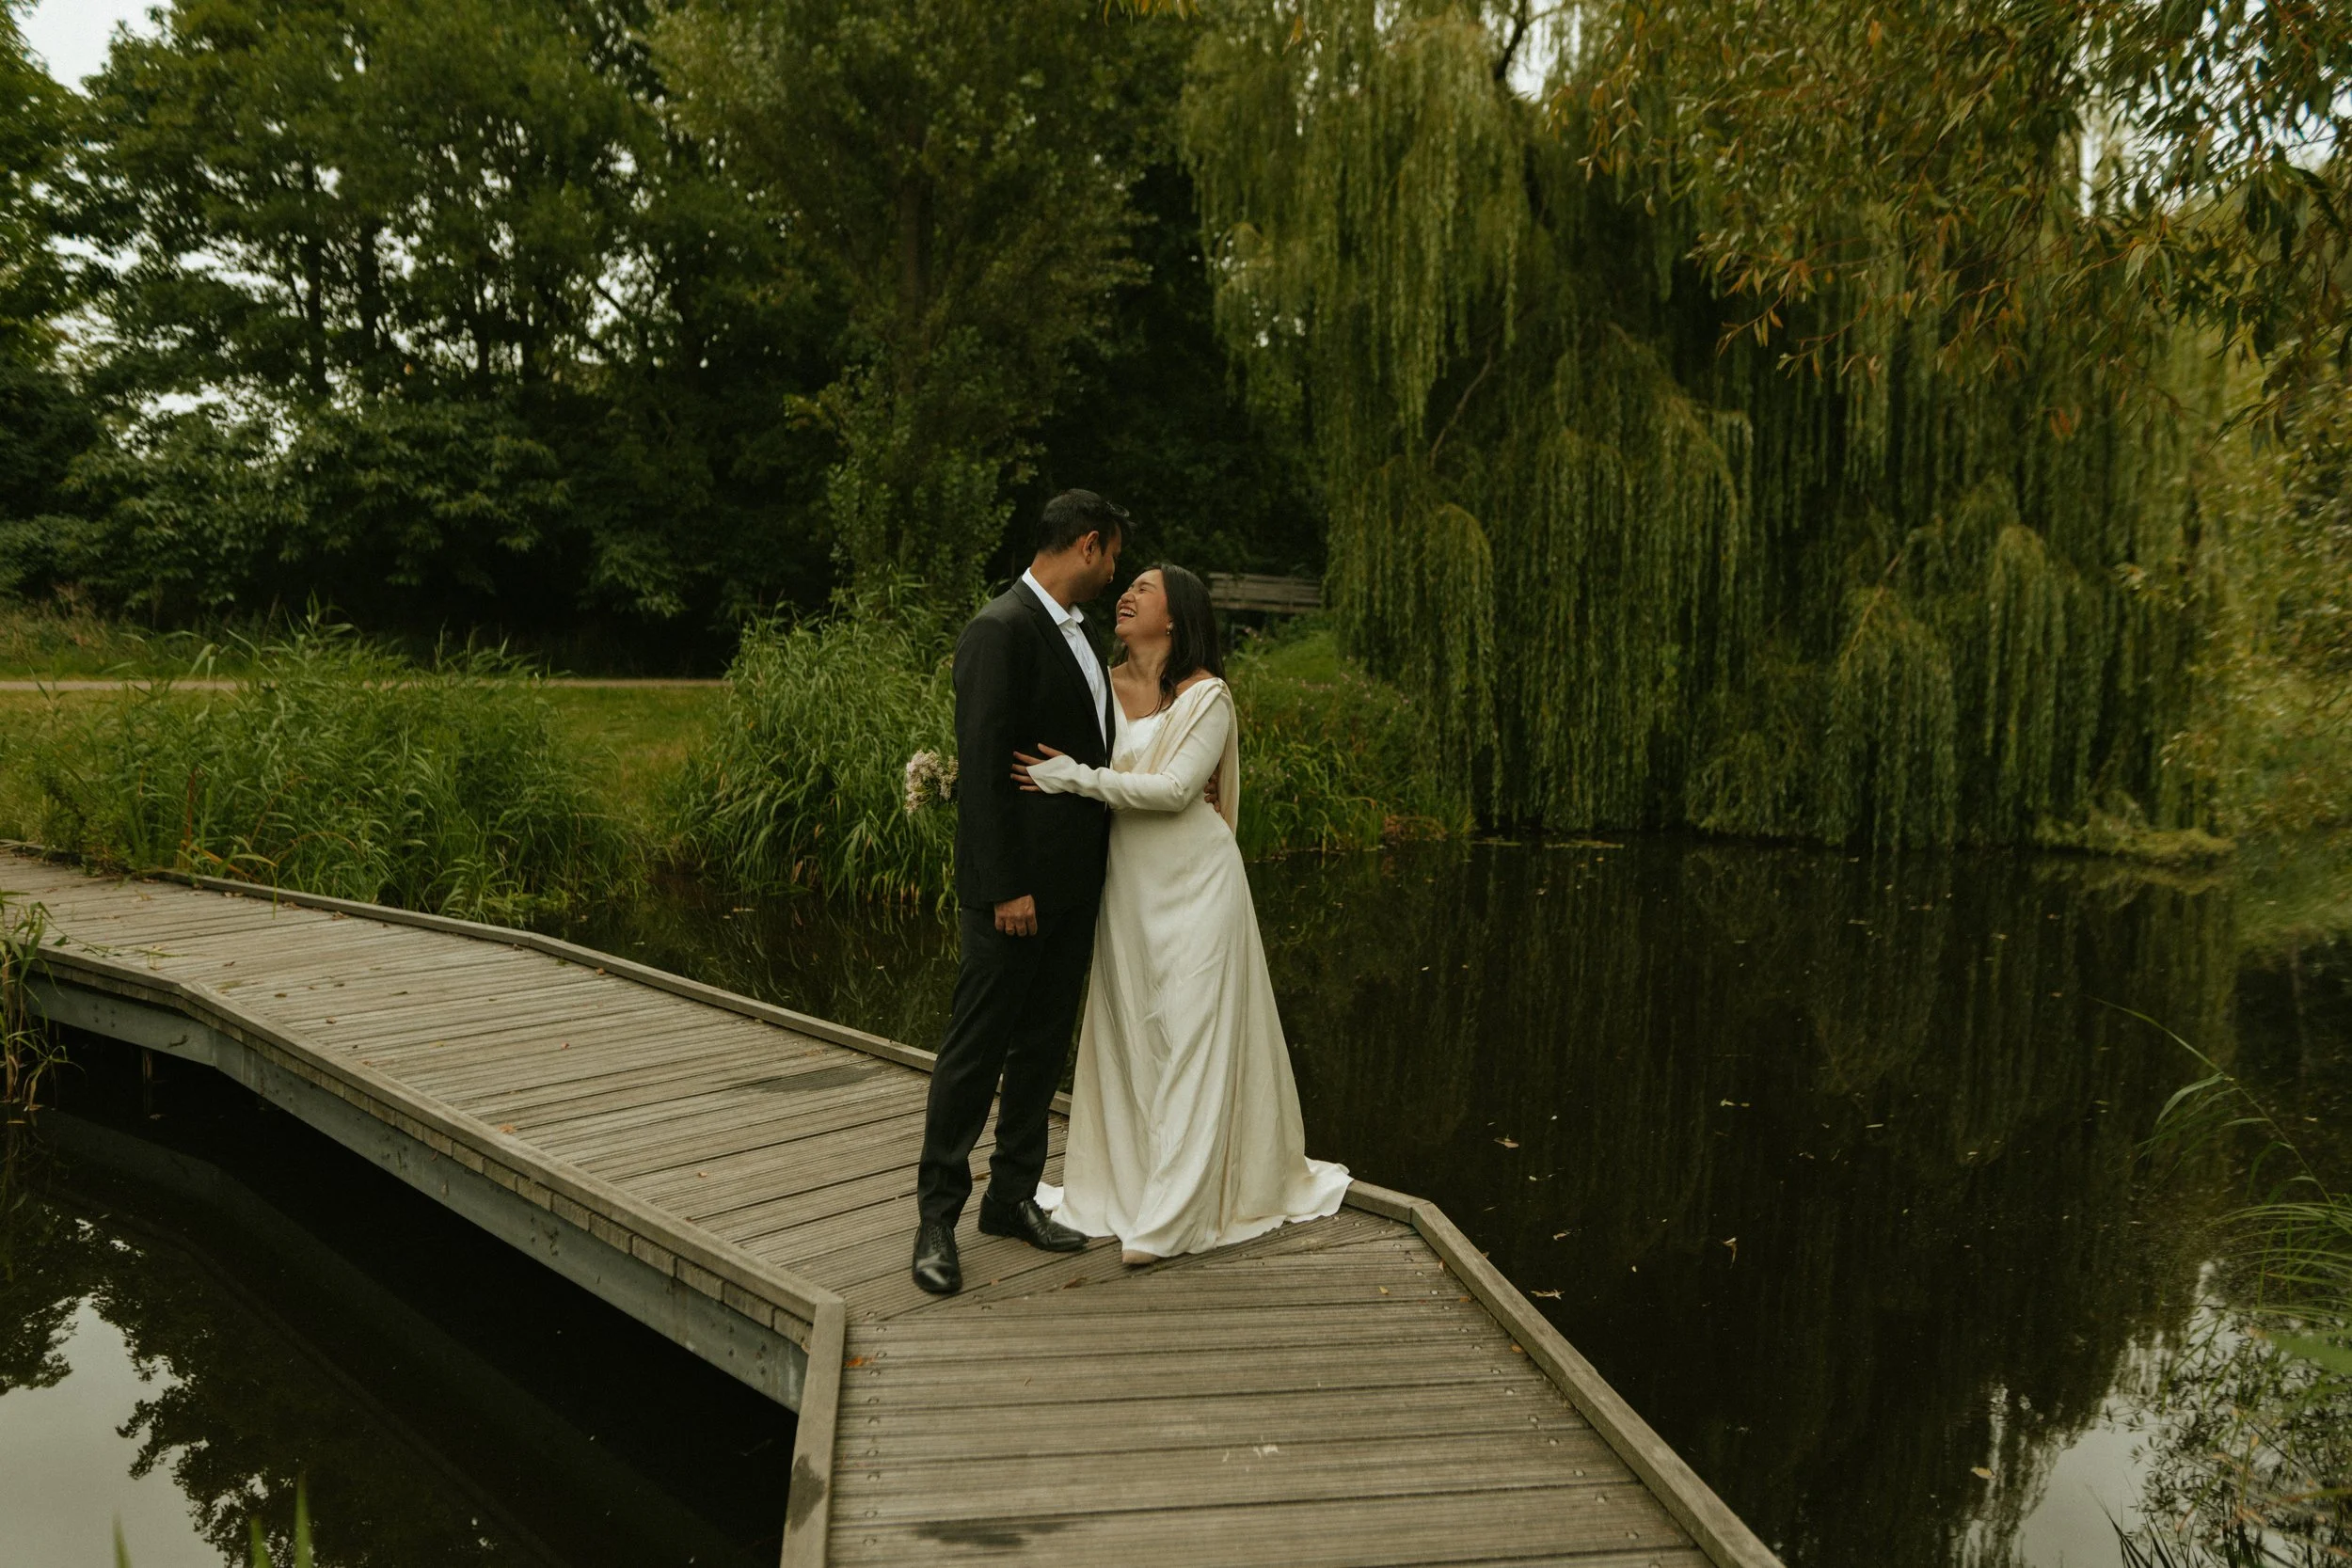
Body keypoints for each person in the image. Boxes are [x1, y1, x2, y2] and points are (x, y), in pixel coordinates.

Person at [1015, 564, 1350, 1263]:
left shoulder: (1209, 698)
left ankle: (1174, 1214)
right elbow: (1047, 747)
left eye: (1145, 588)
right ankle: (1129, 1184)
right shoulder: (1101, 689)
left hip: (1199, 887)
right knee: (1135, 1038)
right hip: (1127, 893)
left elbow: (1172, 791)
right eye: (1127, 585)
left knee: (1193, 1036)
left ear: (1176, 617)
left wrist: (1074, 779)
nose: (1128, 595)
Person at [911, 490, 1126, 1296]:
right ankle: (936, 1218)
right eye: (1112, 558)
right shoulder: (998, 629)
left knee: (1040, 1050)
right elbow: (982, 770)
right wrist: (1006, 886)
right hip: (1014, 894)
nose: (1113, 575)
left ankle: (1011, 1197)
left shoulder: (1082, 637)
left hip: (1074, 890)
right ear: (1087, 545)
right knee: (974, 1053)